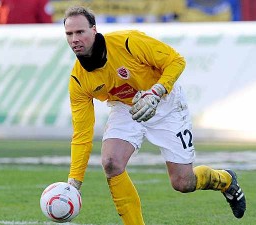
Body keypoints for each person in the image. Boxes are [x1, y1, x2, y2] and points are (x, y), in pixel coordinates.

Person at [63, 6, 246, 224]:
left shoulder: (128, 43)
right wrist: (74, 181)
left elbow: (176, 60)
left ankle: (225, 180)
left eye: (80, 32)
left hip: (165, 102)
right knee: (111, 163)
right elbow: (82, 134)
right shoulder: (78, 80)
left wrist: (157, 91)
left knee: (183, 182)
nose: (75, 39)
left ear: (94, 30)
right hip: (126, 107)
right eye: (69, 34)